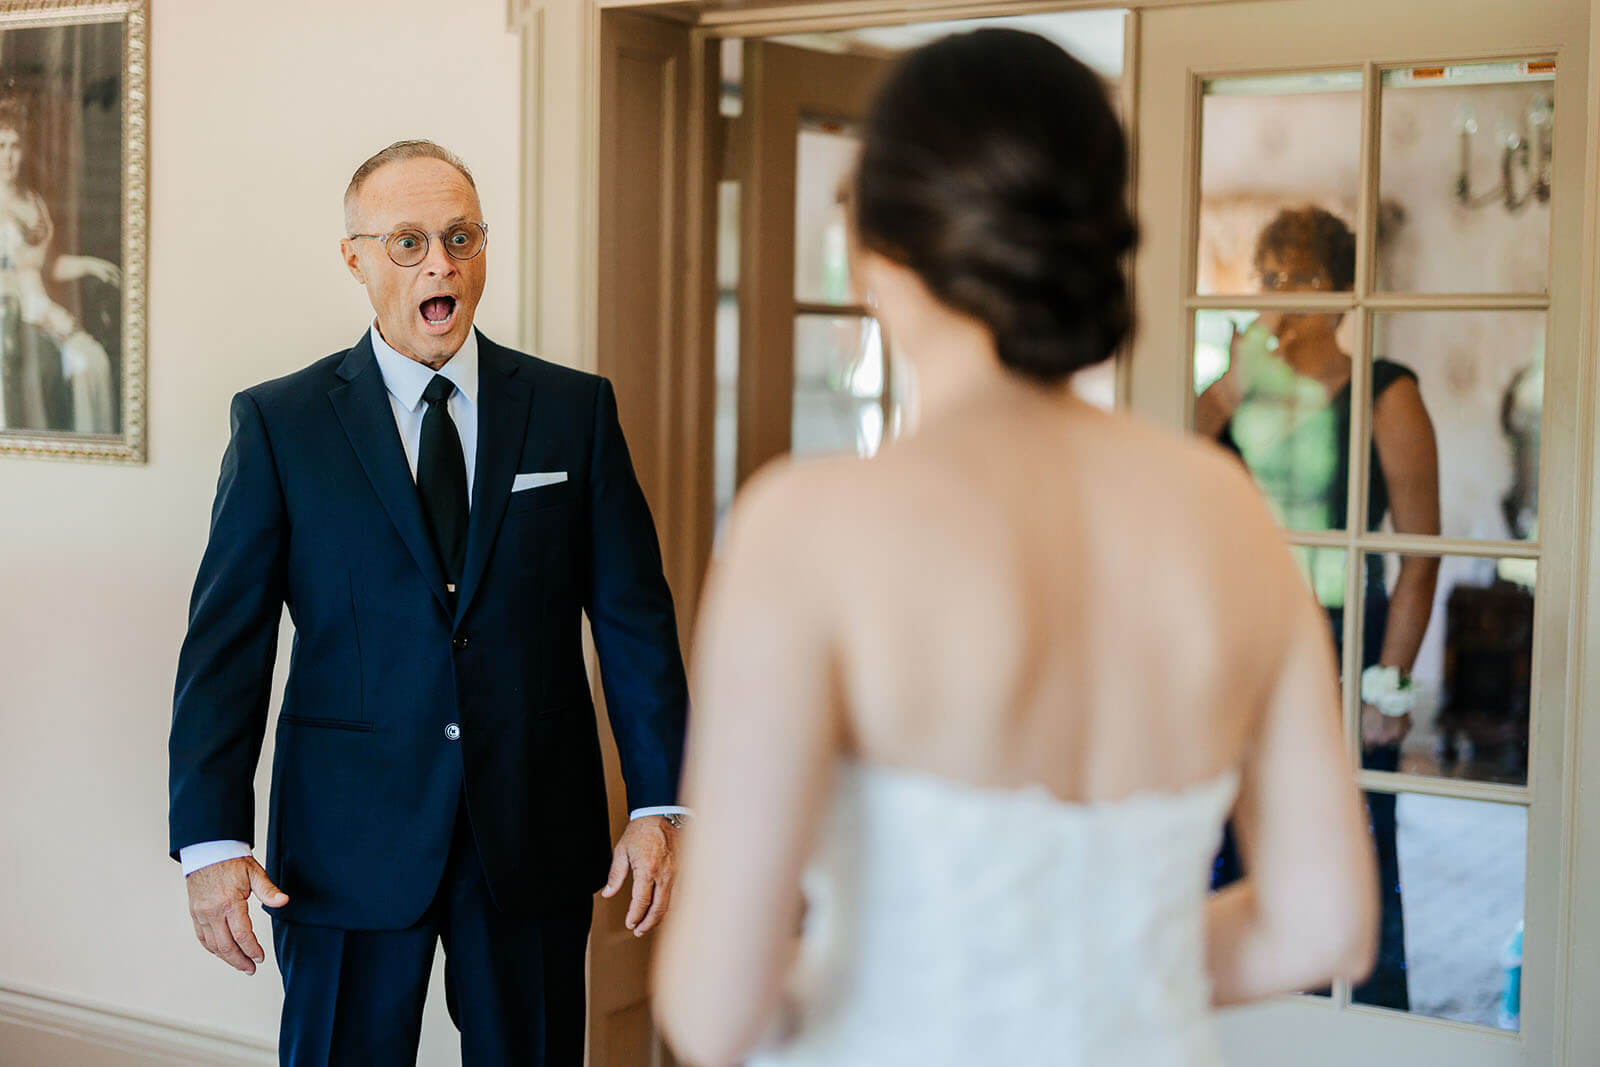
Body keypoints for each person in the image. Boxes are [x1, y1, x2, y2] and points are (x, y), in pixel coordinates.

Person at [653, 30, 1378, 1067]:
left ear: (872, 248)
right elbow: (1321, 922)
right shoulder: (1223, 512)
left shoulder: (809, 527)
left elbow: (716, 1008)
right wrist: (1102, 970)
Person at [168, 140, 690, 1066]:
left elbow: (635, 622)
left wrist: (660, 801)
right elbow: (227, 646)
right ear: (356, 259)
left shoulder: (574, 411)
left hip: (532, 834)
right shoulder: (280, 425)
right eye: (407, 242)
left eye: (460, 237)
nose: (440, 264)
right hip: (345, 844)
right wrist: (210, 836)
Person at [1196, 206, 1441, 1011]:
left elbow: (1417, 554)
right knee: (1228, 828)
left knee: (1347, 830)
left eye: (1303, 277)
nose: (1286, 296)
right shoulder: (1234, 389)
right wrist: (1235, 382)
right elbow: (1170, 463)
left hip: (1345, 639)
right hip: (1239, 639)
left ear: (1342, 295)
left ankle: (1355, 1021)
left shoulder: (1387, 392)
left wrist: (1389, 685)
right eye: (1271, 279)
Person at [0, 96, 119, 433]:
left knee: (92, 361)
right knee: (56, 368)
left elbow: (48, 267)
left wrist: (91, 264)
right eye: (1, 146)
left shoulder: (33, 201)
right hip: (9, 312)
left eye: (15, 146)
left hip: (39, 306)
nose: (8, 156)